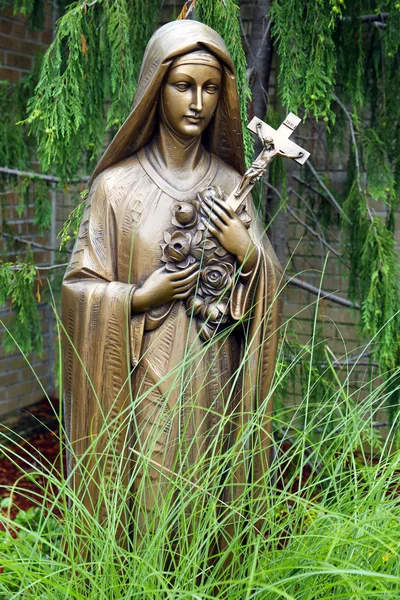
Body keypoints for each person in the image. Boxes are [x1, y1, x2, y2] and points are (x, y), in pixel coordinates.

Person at [62, 20, 282, 538]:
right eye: (183, 85)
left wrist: (246, 251)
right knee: (148, 503)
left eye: (211, 88)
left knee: (204, 509)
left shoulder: (232, 185)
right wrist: (138, 297)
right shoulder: (115, 189)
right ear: (156, 88)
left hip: (215, 380)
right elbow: (79, 289)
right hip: (141, 383)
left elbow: (268, 283)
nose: (198, 102)